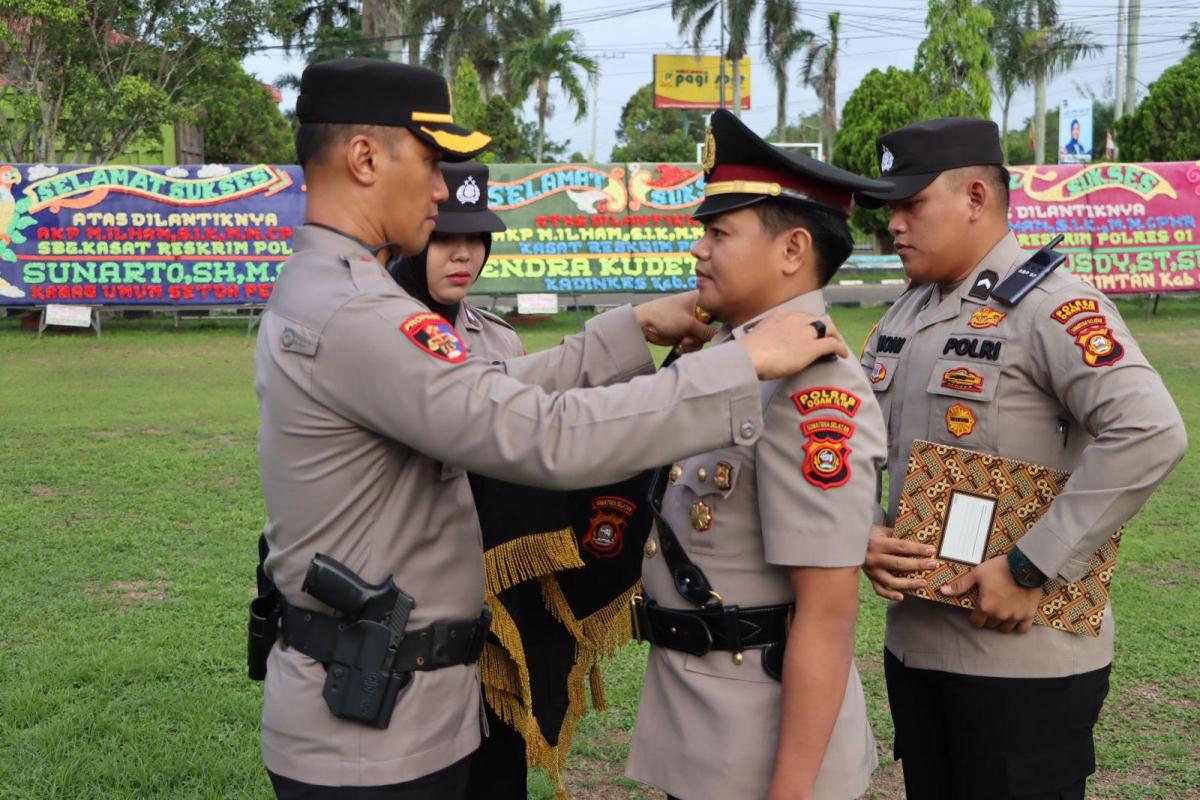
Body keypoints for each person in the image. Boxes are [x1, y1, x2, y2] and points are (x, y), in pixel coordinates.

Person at [253, 59, 851, 800]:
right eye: (433, 163)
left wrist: (629, 331)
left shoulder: (339, 291)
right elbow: (537, 434)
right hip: (370, 736)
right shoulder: (355, 313)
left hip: (392, 706)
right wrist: (737, 368)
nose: (443, 189)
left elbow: (479, 394)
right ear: (365, 158)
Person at [857, 117, 1187, 800]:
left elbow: (1150, 430)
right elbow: (860, 438)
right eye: (890, 207)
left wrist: (1031, 565)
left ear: (976, 197)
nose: (894, 224)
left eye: (911, 204)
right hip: (916, 644)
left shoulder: (1053, 306)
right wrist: (861, 525)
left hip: (1023, 656)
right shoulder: (904, 315)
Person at [625, 108, 891, 800]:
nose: (699, 251)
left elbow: (828, 617)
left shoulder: (812, 388)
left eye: (719, 233)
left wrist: (792, 790)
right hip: (704, 724)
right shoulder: (732, 355)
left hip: (762, 749)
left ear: (792, 251)